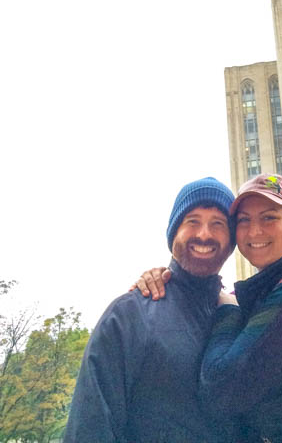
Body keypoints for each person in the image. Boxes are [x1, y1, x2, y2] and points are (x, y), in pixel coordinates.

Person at [137, 174, 282, 443]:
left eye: (269, 217)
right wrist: (171, 280)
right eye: (244, 220)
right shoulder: (275, 287)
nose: (254, 231)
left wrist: (228, 310)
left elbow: (220, 391)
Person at [64, 177, 237, 443]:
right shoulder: (129, 315)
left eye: (218, 224)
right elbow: (90, 426)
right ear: (173, 233)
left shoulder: (240, 318)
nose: (204, 234)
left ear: (231, 240)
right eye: (192, 221)